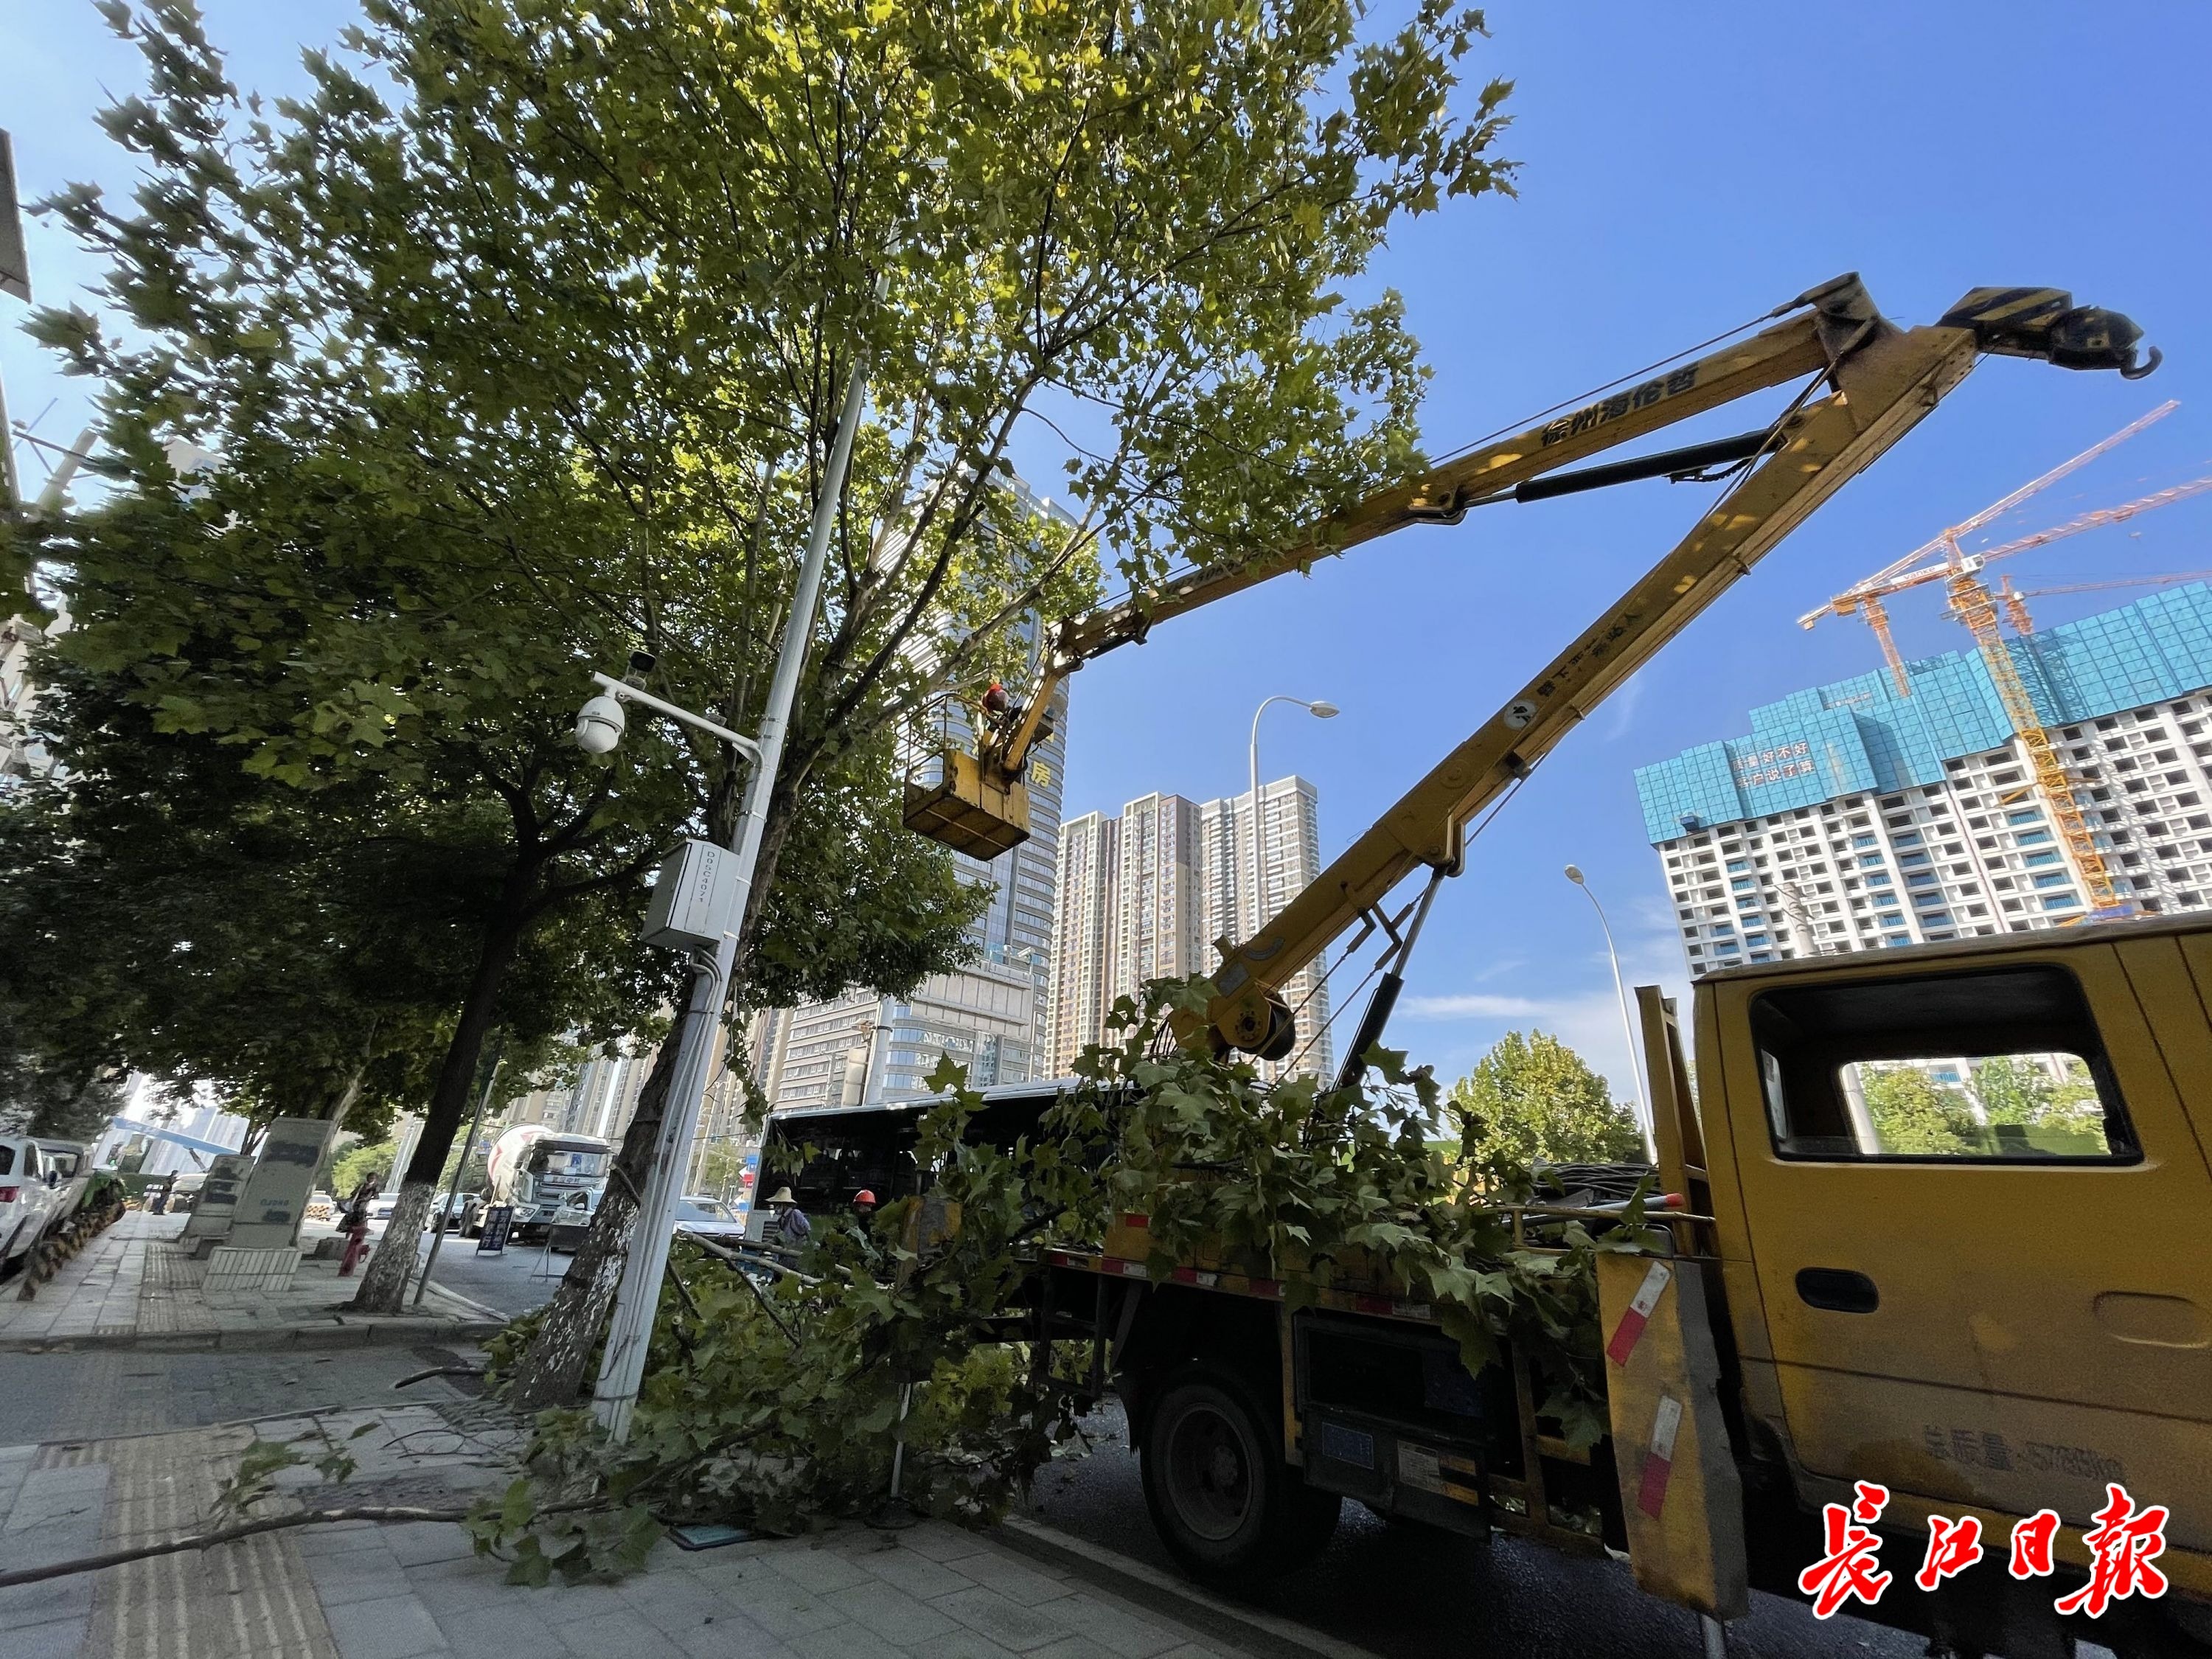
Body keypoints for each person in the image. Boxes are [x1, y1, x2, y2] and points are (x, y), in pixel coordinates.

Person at [339, 1174, 380, 1276]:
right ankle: (347, 1238)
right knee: (350, 1223)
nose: (371, 1180)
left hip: (364, 1207)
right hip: (356, 1206)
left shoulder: (375, 1187)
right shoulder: (362, 1185)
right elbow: (353, 1194)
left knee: (360, 1225)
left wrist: (368, 1198)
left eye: (373, 1179)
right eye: (370, 1178)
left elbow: (376, 1196)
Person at [765, 1186, 810, 1251]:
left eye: (776, 1204)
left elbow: (808, 1231)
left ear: (783, 1204)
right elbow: (778, 1237)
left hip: (797, 1253)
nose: (775, 1208)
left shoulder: (795, 1214)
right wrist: (765, 1245)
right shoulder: (782, 1220)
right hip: (787, 1253)